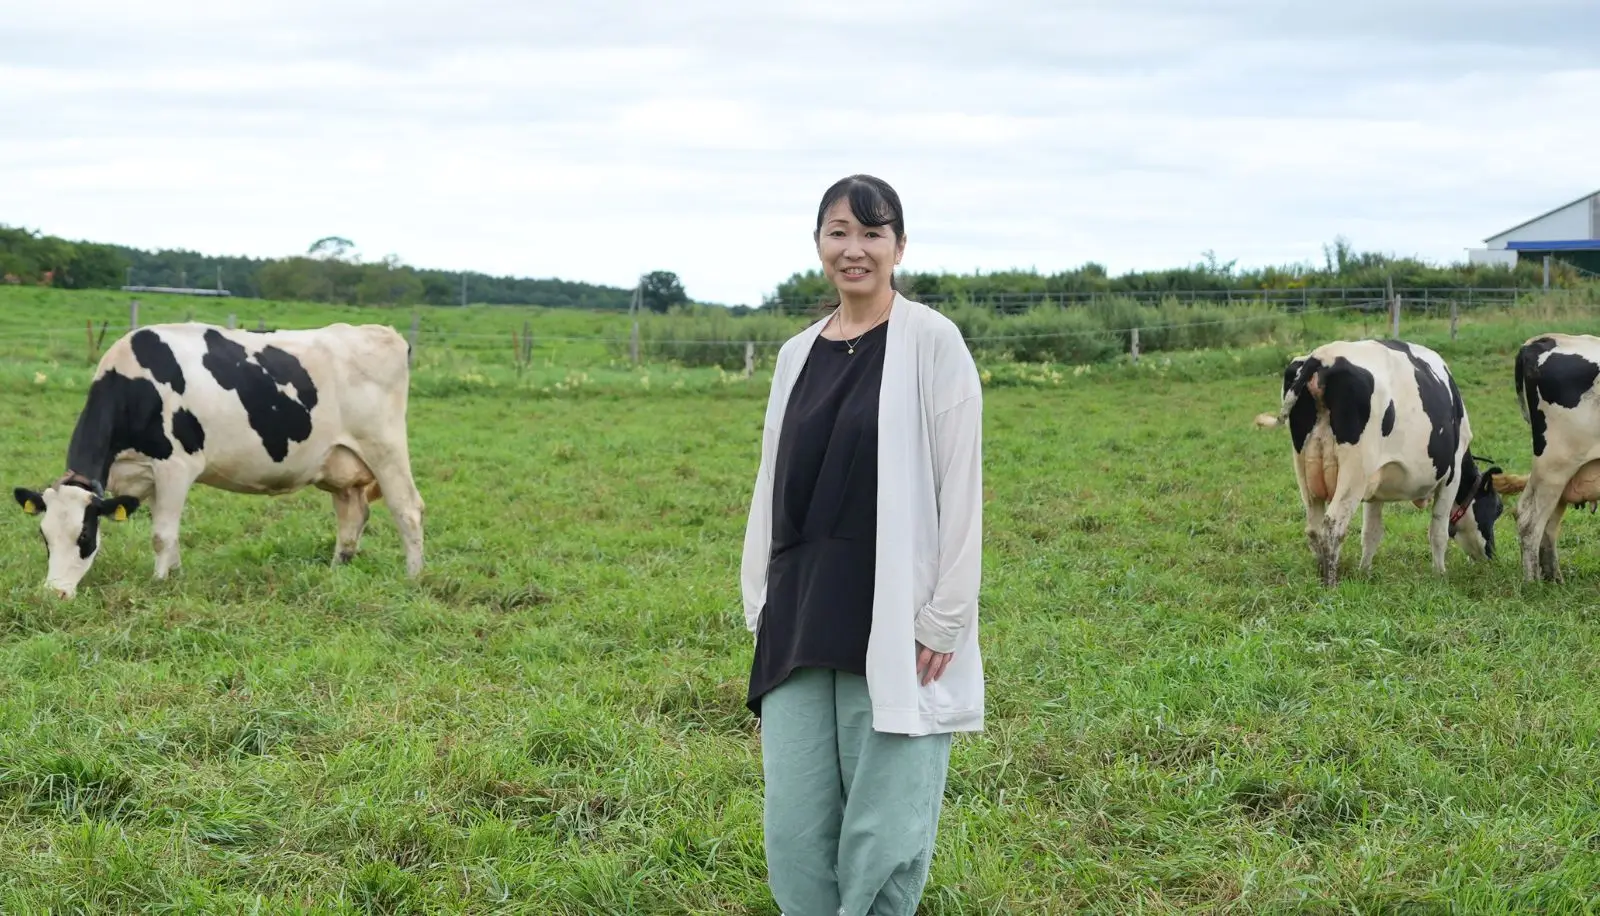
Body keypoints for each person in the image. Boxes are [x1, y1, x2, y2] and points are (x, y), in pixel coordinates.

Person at [740, 174, 985, 916]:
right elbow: (770, 484)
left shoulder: (932, 342)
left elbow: (960, 486)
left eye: (873, 233)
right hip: (803, 615)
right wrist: (762, 599)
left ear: (899, 246)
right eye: (839, 232)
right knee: (797, 825)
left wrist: (946, 615)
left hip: (896, 617)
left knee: (884, 826)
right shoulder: (794, 355)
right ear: (818, 244)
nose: (855, 250)